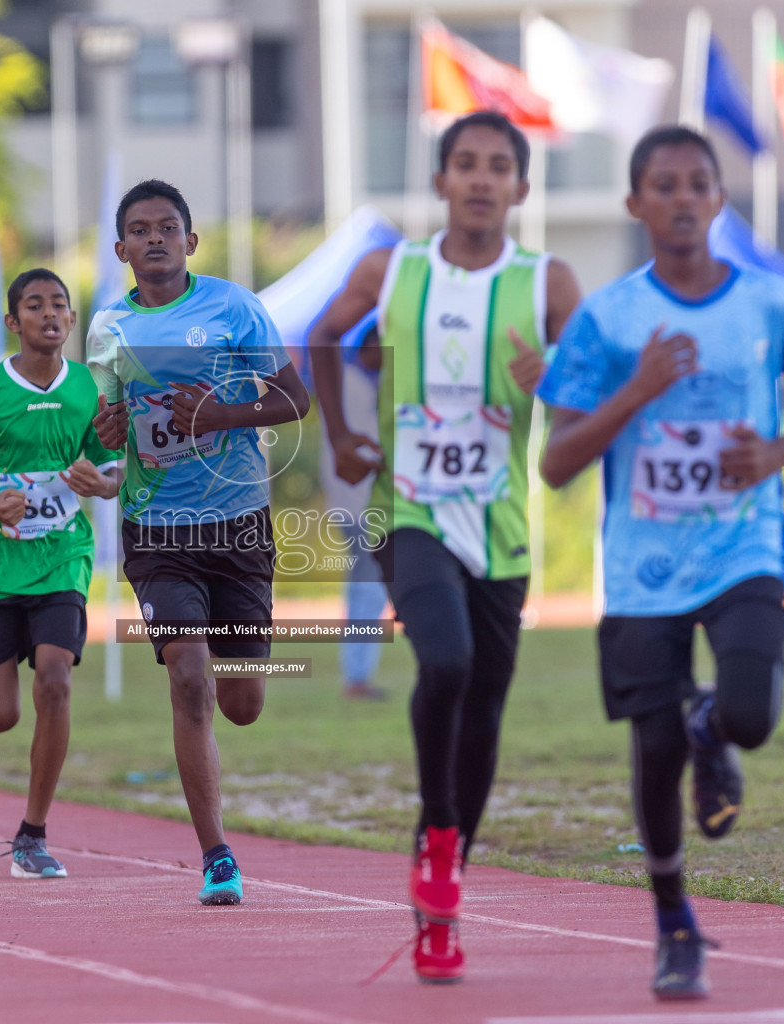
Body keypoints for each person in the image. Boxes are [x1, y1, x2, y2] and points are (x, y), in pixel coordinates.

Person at [537, 125, 784, 1001]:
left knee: (747, 714)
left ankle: (718, 732)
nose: (682, 198)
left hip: (744, 543)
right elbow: (557, 462)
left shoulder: (771, 305)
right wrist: (635, 391)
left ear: (719, 199)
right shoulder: (608, 318)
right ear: (636, 204)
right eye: (664, 185)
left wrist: (782, 450)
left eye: (698, 184)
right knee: (652, 747)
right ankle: (674, 919)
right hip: (643, 566)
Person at [308, 110, 582, 984]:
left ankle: (446, 883)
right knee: (450, 664)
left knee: (488, 707)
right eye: (463, 163)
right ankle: (434, 833)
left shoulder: (548, 282)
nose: (479, 179)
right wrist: (347, 436)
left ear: (520, 189)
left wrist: (562, 378)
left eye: (497, 166)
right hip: (410, 513)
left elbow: (598, 385)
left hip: (500, 528)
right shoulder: (394, 271)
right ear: (439, 182)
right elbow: (321, 334)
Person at [88, 179, 310, 906]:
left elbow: (294, 400)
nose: (154, 239)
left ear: (191, 241)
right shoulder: (108, 328)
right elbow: (103, 422)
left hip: (239, 521)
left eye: (167, 227)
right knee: (188, 677)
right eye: (139, 230)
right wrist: (107, 431)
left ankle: (228, 699)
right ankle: (217, 854)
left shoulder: (235, 308)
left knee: (242, 701)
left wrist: (219, 416)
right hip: (157, 532)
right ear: (121, 249)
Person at [0, 268, 122, 878]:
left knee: (56, 681)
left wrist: (104, 484)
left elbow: (115, 472)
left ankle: (32, 835)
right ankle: (0, 666)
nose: (50, 314)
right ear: (13, 321)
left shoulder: (90, 389)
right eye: (34, 306)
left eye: (59, 305)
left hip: (62, 559)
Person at [317, 319, 388, 701]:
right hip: (360, 505)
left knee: (367, 589)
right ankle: (356, 677)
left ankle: (358, 676)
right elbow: (369, 448)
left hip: (355, 504)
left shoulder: (352, 384)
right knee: (368, 591)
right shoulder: (352, 385)